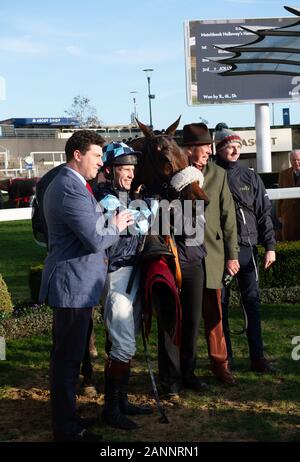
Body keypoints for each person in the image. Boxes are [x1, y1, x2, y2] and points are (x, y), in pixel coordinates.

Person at [39, 130, 133, 442]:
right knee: (66, 362)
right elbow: (95, 239)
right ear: (77, 155)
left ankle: (68, 421)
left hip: (76, 284)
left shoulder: (73, 185)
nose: (99, 163)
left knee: (67, 359)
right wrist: (117, 224)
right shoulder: (69, 188)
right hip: (71, 286)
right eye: (95, 156)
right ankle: (66, 429)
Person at [94, 142, 153, 430]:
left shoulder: (127, 196)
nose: (130, 174)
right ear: (109, 169)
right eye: (123, 169)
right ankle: (110, 410)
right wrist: (148, 208)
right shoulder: (103, 196)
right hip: (115, 274)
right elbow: (138, 225)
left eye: (132, 169)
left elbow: (143, 217)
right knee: (124, 343)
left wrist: (145, 208)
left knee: (126, 343)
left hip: (134, 272)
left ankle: (121, 402)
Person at [214, 125, 277, 372]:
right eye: (230, 146)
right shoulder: (211, 174)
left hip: (248, 250)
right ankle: (224, 360)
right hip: (221, 253)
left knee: (252, 302)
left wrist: (270, 246)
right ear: (218, 148)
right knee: (222, 306)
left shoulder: (251, 176)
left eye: (238, 146)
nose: (235, 150)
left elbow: (264, 213)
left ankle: (257, 357)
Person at [182, 123, 239, 385]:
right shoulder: (177, 173)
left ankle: (220, 364)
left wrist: (232, 255)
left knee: (215, 314)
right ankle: (186, 368)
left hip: (213, 256)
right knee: (187, 317)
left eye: (210, 147)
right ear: (190, 150)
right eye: (205, 147)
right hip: (184, 256)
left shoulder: (218, 173)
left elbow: (228, 217)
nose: (209, 151)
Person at [277, 149, 300, 241]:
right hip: (288, 214)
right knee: (288, 240)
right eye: (294, 160)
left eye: (298, 160)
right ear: (290, 161)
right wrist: (279, 214)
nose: (296, 162)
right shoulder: (283, 174)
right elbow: (280, 194)